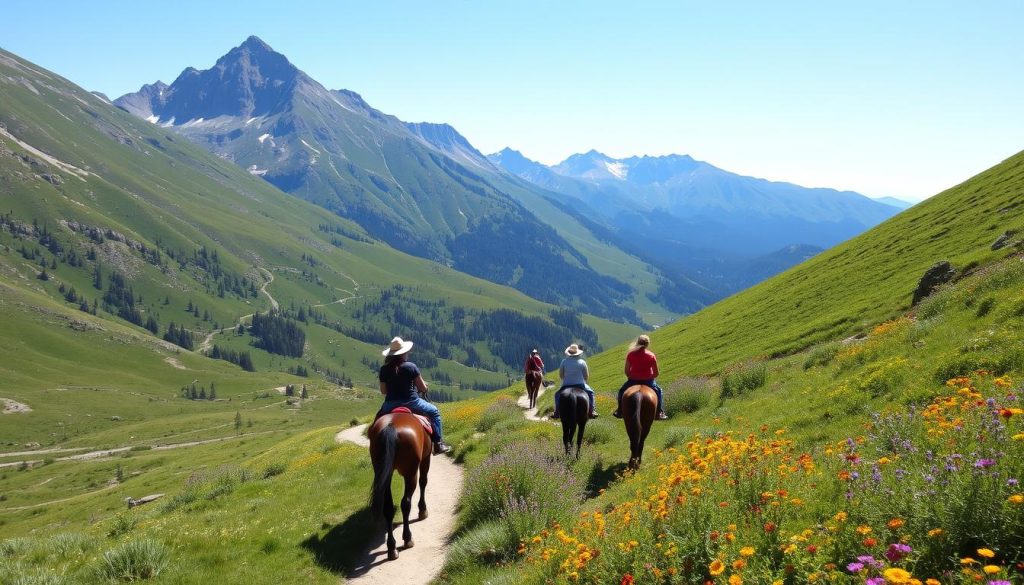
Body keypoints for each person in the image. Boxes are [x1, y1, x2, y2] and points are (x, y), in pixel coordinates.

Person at [377, 336, 451, 455]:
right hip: (411, 403)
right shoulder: (411, 366)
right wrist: (425, 388)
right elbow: (422, 387)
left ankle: (375, 443)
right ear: (404, 352)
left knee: (378, 420)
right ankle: (438, 444)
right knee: (434, 412)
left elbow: (383, 391)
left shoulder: (384, 369)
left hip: (390, 405)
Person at [612, 334, 668, 420]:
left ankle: (620, 411)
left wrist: (633, 376)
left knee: (622, 391)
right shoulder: (651, 355)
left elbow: (626, 371)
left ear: (637, 343)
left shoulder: (630, 354)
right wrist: (649, 376)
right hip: (648, 381)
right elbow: (656, 373)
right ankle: (659, 412)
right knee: (659, 392)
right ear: (647, 344)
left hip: (633, 380)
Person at [551, 343, 598, 419]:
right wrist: (583, 380)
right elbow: (586, 376)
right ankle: (591, 411)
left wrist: (566, 380)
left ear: (569, 353)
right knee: (591, 393)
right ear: (578, 353)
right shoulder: (582, 362)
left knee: (557, 395)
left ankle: (557, 413)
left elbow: (561, 375)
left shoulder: (564, 361)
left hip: (566, 385)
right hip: (580, 385)